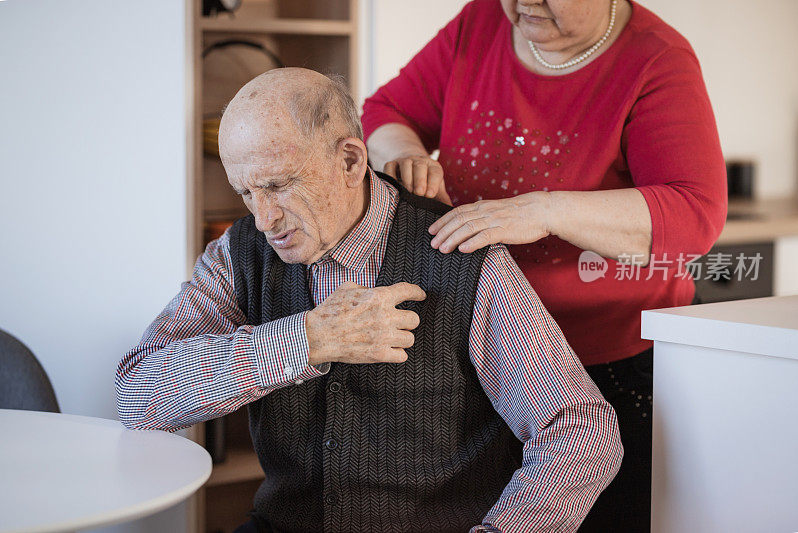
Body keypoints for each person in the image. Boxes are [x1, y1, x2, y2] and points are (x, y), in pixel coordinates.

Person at [116, 68, 622, 532]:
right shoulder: (238, 252)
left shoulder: (460, 253)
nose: (264, 218)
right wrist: (307, 342)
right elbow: (138, 397)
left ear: (351, 160)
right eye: (246, 193)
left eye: (278, 185)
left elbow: (581, 434)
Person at [361, 0, 727, 531]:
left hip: (613, 364)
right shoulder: (481, 21)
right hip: (491, 353)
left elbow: (695, 214)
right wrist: (405, 153)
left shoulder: (656, 60)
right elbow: (387, 108)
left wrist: (546, 209)